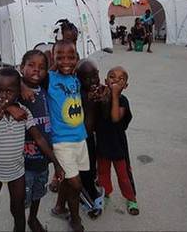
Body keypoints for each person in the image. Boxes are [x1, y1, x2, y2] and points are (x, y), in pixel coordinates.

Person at [0, 68, 45, 232]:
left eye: (9, 91)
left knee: (17, 210)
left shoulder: (24, 113)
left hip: (17, 172)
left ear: (19, 91)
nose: (3, 95)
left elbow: (38, 137)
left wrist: (57, 163)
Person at [19, 50, 65, 232]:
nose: (36, 70)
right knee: (22, 197)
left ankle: (33, 219)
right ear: (21, 68)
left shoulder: (45, 91)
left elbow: (53, 69)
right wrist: (21, 85)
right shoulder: (17, 92)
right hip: (24, 162)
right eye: (31, 65)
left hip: (43, 160)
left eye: (41, 67)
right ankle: (20, 222)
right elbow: (3, 78)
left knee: (38, 194)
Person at [47, 40, 88, 232]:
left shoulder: (76, 79)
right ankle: (75, 218)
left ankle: (59, 207)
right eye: (60, 57)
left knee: (67, 178)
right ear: (53, 57)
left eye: (71, 57)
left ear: (77, 58)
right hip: (62, 142)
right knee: (76, 184)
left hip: (80, 138)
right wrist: (24, 87)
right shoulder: (49, 78)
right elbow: (26, 79)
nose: (66, 61)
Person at [96, 66, 139, 216]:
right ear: (106, 81)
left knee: (124, 175)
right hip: (102, 144)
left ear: (125, 86)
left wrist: (114, 95)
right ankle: (105, 194)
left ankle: (131, 198)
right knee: (103, 173)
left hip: (118, 145)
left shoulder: (123, 101)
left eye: (121, 79)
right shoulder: (100, 97)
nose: (116, 80)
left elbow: (115, 118)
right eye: (112, 77)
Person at [75, 59, 110, 219]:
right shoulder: (78, 94)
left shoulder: (100, 92)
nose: (93, 80)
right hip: (78, 139)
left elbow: (106, 116)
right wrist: (89, 99)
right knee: (81, 170)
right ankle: (87, 194)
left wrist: (103, 101)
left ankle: (90, 189)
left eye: (95, 75)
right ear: (79, 79)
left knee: (90, 167)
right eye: (87, 78)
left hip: (90, 138)